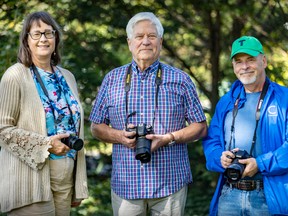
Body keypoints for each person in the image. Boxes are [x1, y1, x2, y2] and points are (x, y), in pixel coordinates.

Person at [89, 12, 207, 216]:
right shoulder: (112, 79)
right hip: (126, 185)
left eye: (151, 36)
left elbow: (200, 126)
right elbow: (96, 127)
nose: (145, 41)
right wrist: (120, 136)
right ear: (129, 42)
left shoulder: (181, 79)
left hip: (170, 184)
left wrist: (168, 138)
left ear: (160, 42)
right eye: (139, 36)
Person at [0, 11, 88, 216]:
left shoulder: (68, 77)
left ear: (56, 38)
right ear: (26, 40)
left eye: (49, 33)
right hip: (31, 179)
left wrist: (77, 184)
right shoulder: (15, 75)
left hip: (65, 178)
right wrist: (46, 145)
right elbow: (2, 129)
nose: (44, 39)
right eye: (37, 34)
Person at [202, 36, 288, 215]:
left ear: (263, 61)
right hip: (229, 195)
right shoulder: (226, 101)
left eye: (250, 60)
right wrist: (219, 157)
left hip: (269, 196)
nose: (244, 66)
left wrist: (260, 164)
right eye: (238, 61)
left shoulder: (284, 99)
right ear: (233, 66)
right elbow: (211, 141)